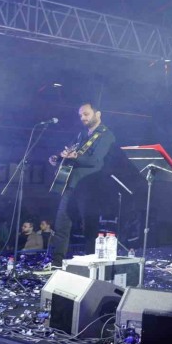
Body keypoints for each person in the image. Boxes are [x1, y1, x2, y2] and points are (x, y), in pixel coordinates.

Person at [49, 102, 116, 268]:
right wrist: (59, 157)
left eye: (86, 114)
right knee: (61, 225)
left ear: (97, 114)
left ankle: (91, 264)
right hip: (71, 184)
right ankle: (57, 263)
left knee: (89, 228)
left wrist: (75, 157)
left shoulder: (106, 135)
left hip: (90, 187)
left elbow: (96, 160)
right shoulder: (81, 135)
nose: (83, 118)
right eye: (80, 115)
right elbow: (70, 151)